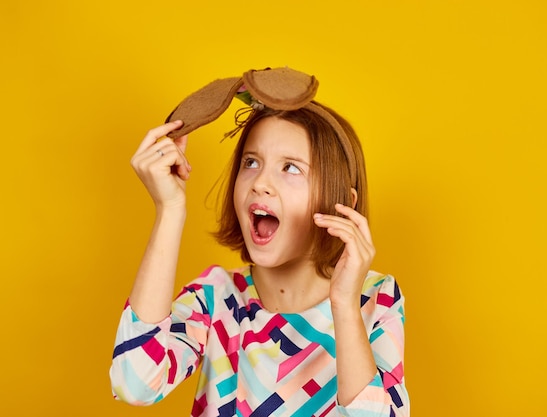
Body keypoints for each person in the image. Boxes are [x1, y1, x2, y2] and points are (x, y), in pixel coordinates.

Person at [110, 67, 409, 417]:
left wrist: (343, 305)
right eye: (251, 162)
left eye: (291, 168)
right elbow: (135, 382)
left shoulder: (375, 300)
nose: (260, 183)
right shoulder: (216, 297)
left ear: (342, 202)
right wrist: (170, 209)